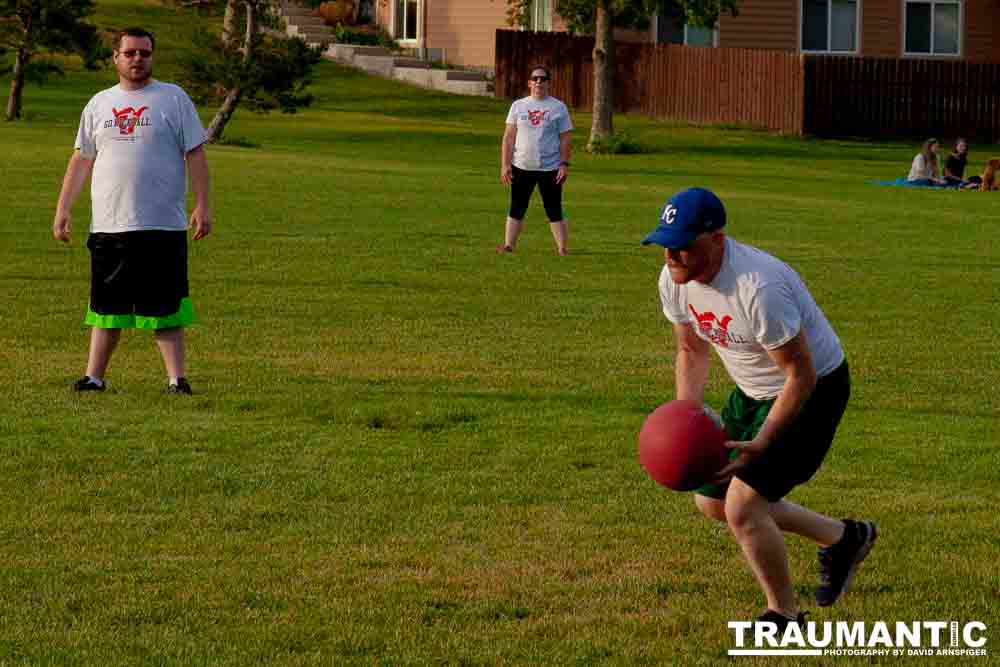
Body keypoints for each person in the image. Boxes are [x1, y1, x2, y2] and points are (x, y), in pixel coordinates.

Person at [641, 187, 876, 632]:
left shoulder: (758, 287)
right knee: (711, 502)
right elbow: (691, 350)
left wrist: (765, 440)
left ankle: (784, 617)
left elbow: (800, 376)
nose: (672, 254)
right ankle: (844, 538)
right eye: (666, 243)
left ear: (717, 239)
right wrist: (686, 423)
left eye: (684, 244)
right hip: (753, 391)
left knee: (744, 507)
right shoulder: (674, 279)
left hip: (813, 391)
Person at [53, 26, 212, 394]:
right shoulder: (98, 104)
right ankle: (94, 377)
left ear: (152, 56)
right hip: (110, 225)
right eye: (130, 53)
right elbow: (81, 159)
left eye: (144, 53)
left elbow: (196, 154)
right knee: (106, 306)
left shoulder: (173, 99)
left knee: (165, 307)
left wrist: (202, 205)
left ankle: (177, 379)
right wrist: (64, 208)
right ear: (116, 57)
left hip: (162, 225)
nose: (137, 59)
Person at [498, 65, 573, 256]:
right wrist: (505, 165)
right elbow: (508, 137)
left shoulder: (558, 107)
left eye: (543, 79)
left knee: (554, 208)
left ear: (548, 83)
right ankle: (509, 245)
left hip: (550, 168)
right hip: (521, 166)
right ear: (529, 82)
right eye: (535, 78)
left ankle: (562, 248)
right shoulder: (518, 106)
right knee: (517, 206)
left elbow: (565, 138)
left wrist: (564, 164)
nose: (539, 81)